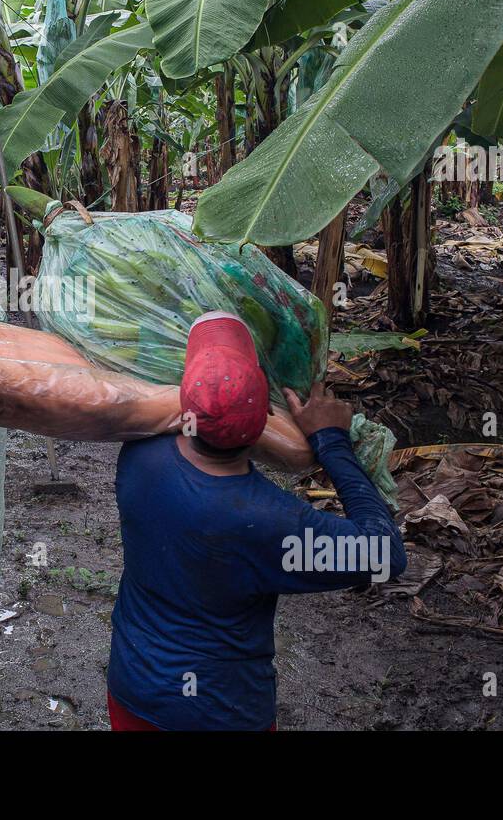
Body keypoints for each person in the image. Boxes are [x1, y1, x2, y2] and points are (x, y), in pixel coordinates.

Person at [107, 311, 407, 731]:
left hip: (132, 691)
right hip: (222, 712)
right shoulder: (271, 522)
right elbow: (385, 553)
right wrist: (331, 442)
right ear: (269, 412)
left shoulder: (139, 458)